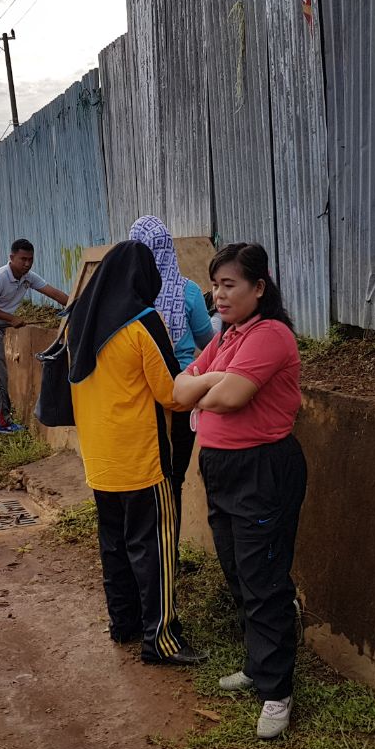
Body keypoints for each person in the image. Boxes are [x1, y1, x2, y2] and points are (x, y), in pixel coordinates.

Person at [172, 243, 306, 740]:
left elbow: (228, 398)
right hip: (222, 467)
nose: (218, 294)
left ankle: (277, 690)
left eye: (229, 285)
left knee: (263, 576)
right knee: (236, 567)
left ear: (258, 288)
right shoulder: (229, 336)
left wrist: (204, 383)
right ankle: (258, 664)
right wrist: (210, 379)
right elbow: (175, 390)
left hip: (262, 469)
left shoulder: (271, 335)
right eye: (215, 285)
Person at [67, 241, 206, 667]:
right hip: (143, 458)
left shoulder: (81, 320)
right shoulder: (144, 321)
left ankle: (123, 623)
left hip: (100, 457)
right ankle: (160, 640)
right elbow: (171, 394)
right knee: (155, 548)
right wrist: (209, 379)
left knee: (115, 544)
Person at [128, 215, 216, 525]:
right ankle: (170, 554)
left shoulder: (127, 295)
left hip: (139, 398)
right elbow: (208, 341)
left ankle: (147, 551)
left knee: (143, 480)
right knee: (174, 478)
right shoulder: (188, 291)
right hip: (180, 395)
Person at [0, 239, 69, 433]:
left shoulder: (28, 276)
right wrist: (11, 318)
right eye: (23, 259)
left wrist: (74, 305)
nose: (27, 264)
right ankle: (2, 423)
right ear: (11, 258)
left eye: (30, 259)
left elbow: (53, 293)